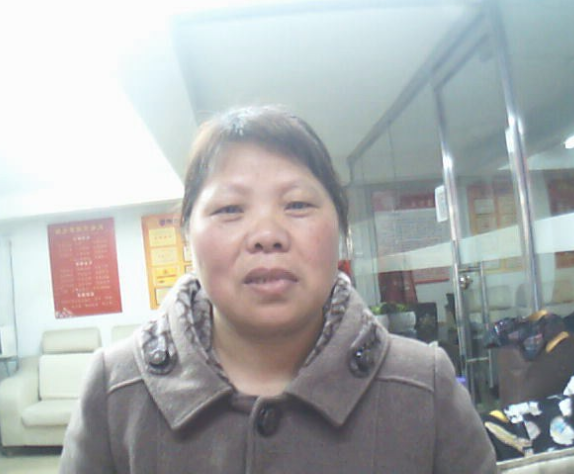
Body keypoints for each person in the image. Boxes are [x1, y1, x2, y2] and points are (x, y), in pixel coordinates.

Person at [60, 105, 496, 473]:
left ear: (342, 232)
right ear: (187, 235)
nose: (267, 235)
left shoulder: (425, 385)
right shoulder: (116, 389)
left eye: (297, 204)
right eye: (230, 209)